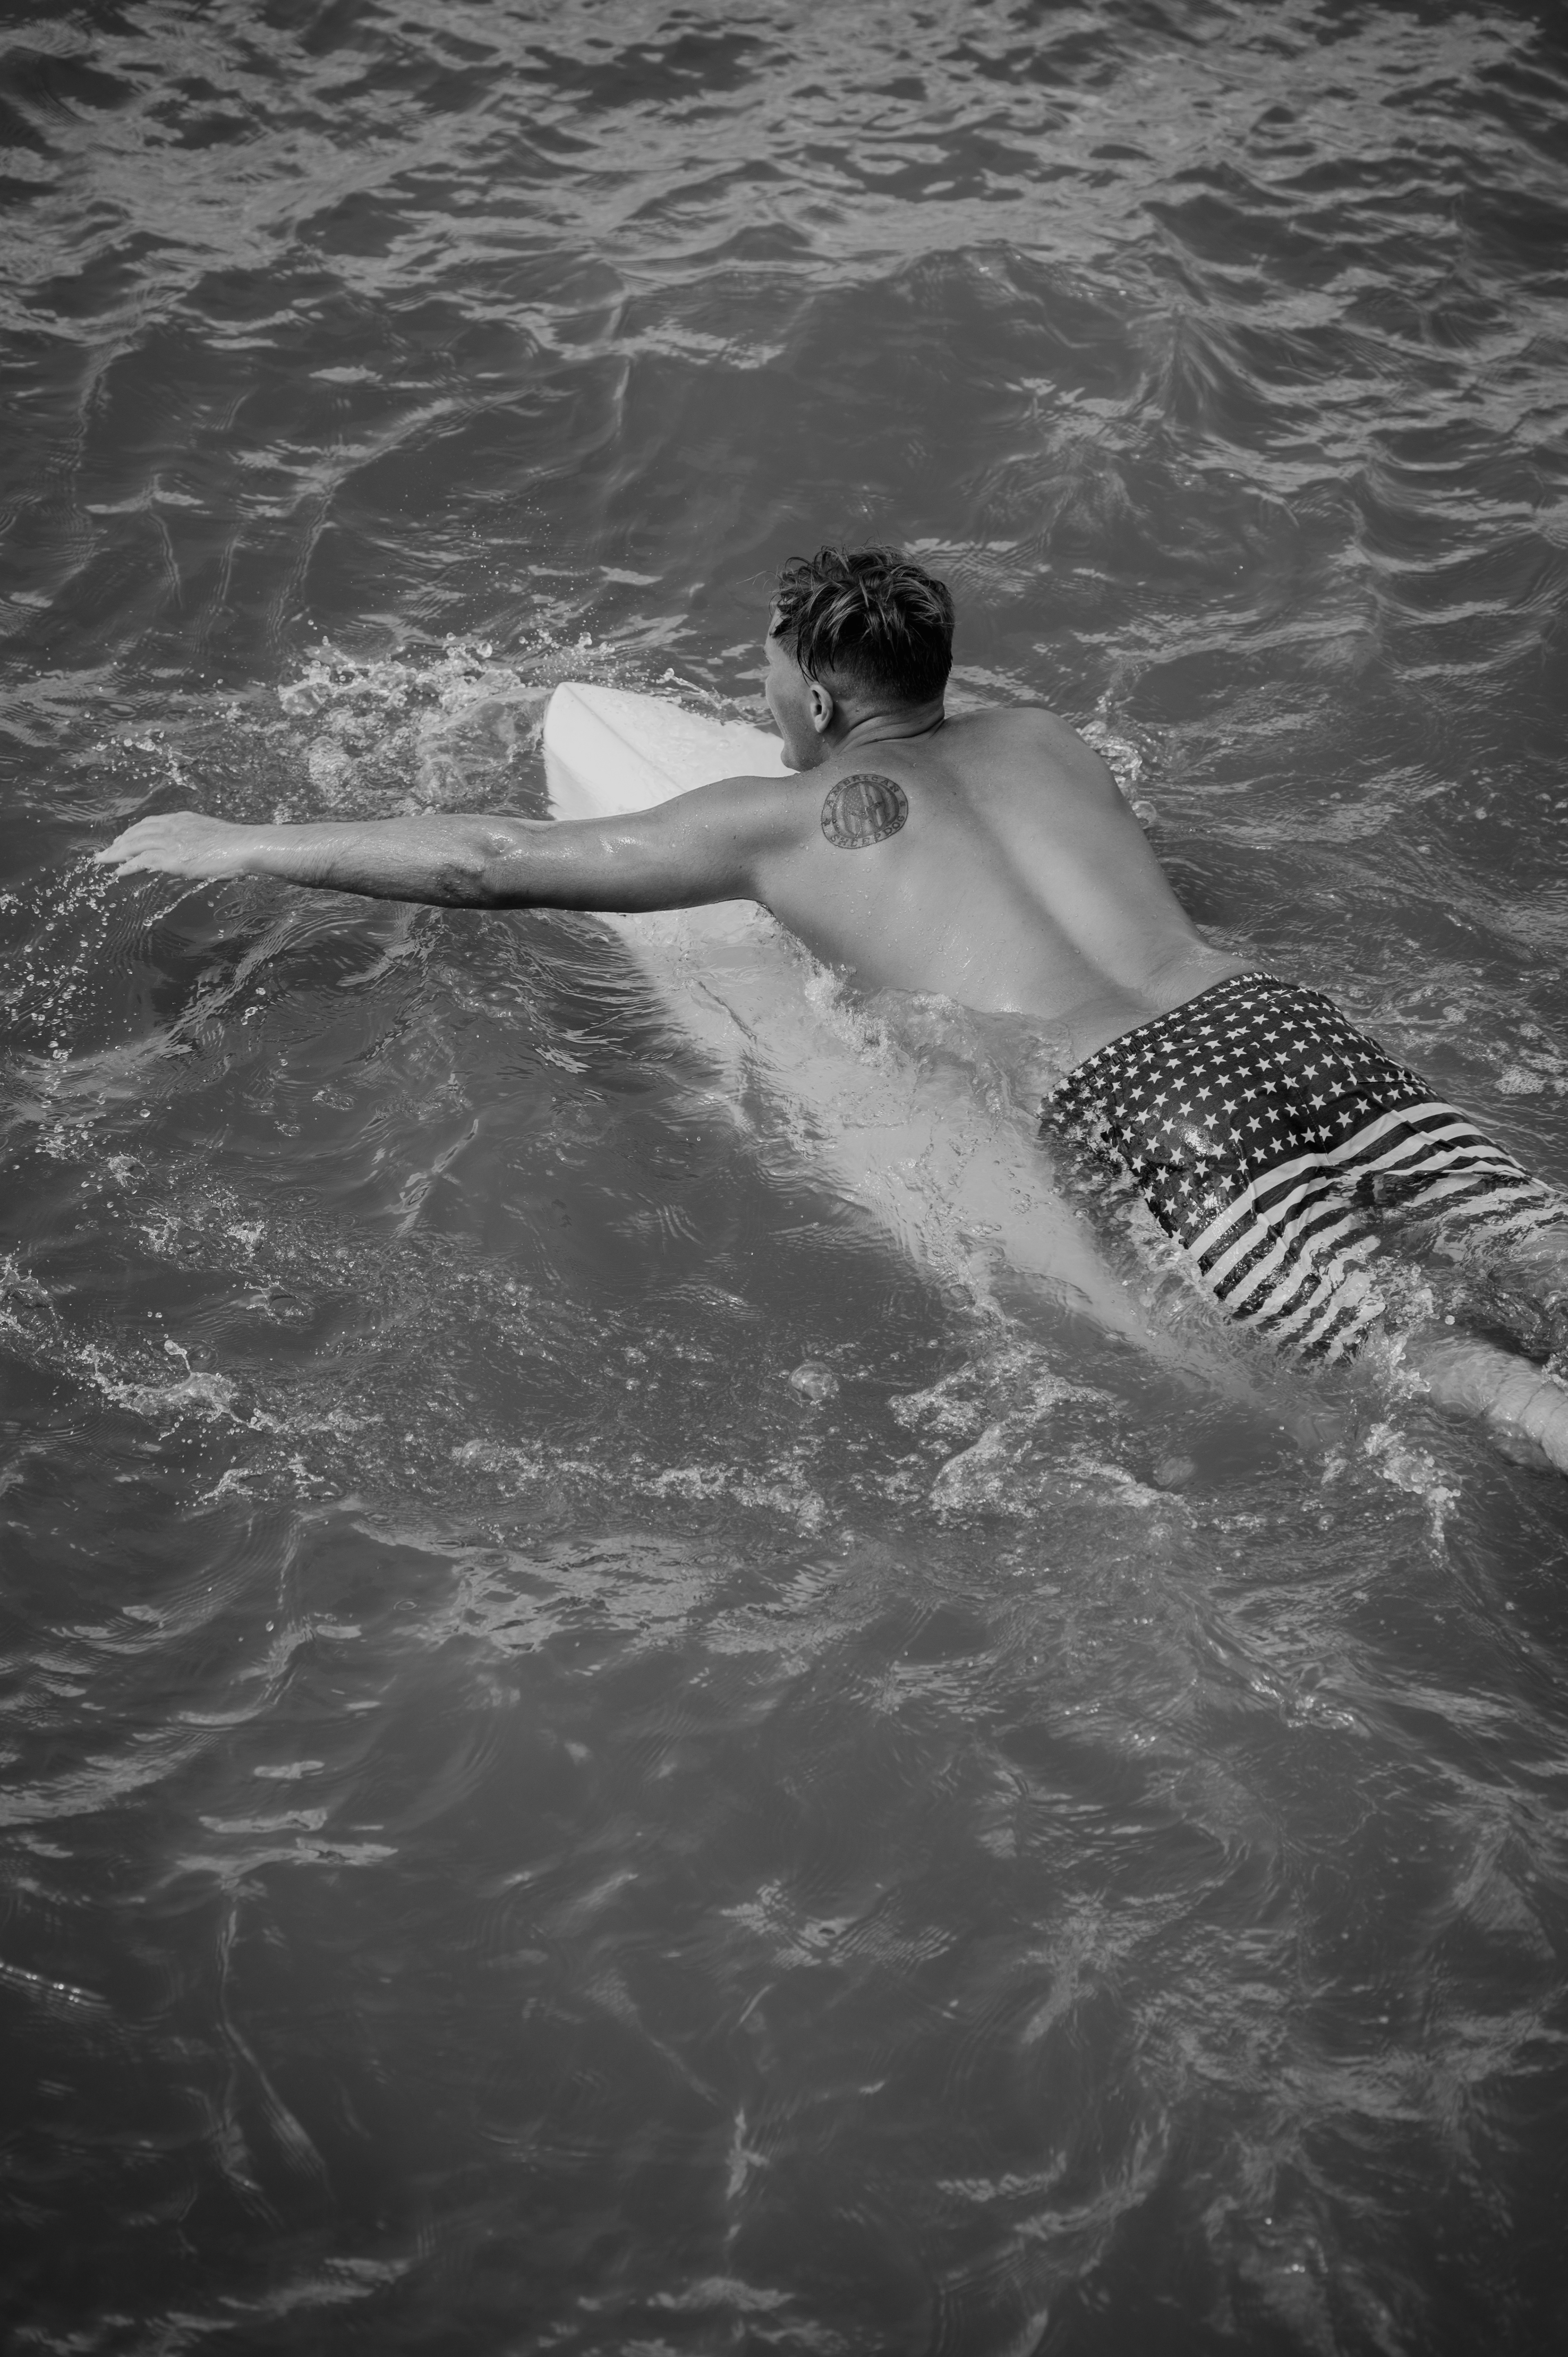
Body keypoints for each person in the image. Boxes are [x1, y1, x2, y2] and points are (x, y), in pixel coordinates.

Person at [97, 545, 1568, 1470]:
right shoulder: (1053, 742)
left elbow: (497, 863)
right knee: (1541, 1251)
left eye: (769, 685)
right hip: (1285, 1027)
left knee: (1437, 1373)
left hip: (1145, 1103)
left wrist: (241, 845)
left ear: (809, 698)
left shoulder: (779, 817)